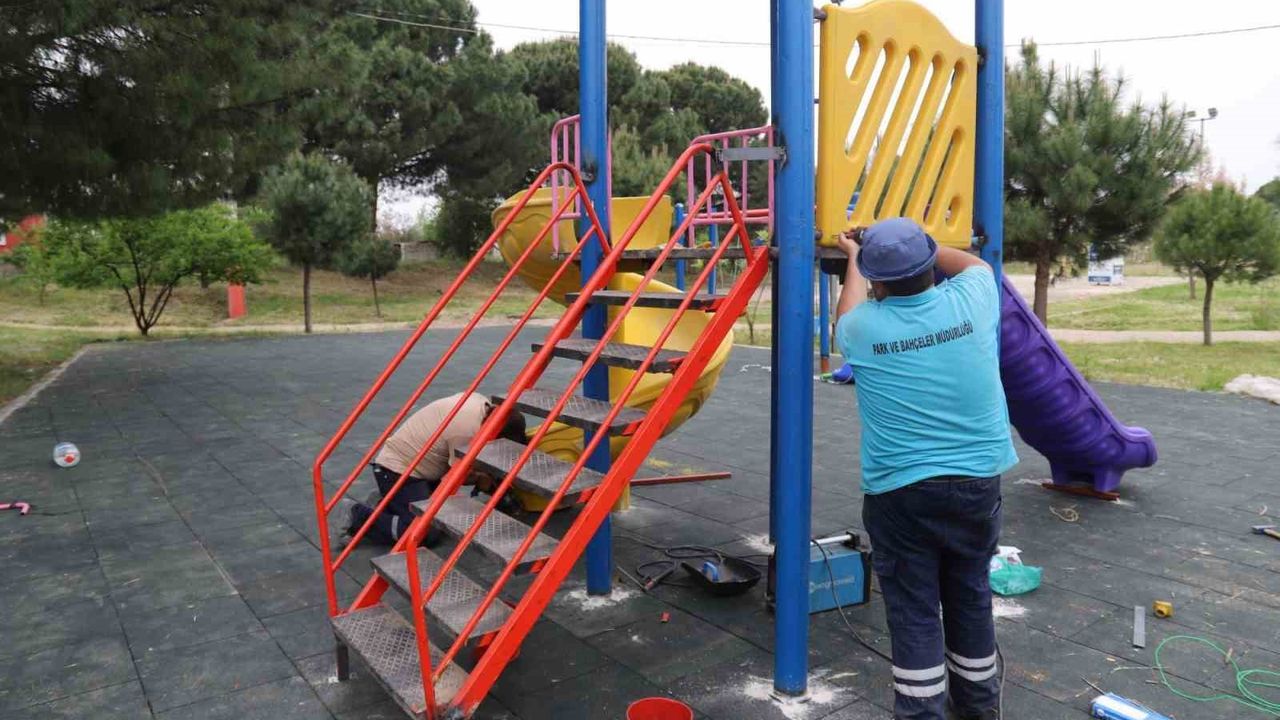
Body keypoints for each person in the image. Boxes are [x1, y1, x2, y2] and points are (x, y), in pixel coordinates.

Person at [834, 218, 1018, 720]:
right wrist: (912, 245)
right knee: (970, 595)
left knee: (914, 610)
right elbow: (973, 263)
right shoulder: (973, 298)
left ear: (877, 281)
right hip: (978, 482)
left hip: (902, 493)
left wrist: (855, 255)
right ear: (929, 265)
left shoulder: (862, 328)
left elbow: (845, 311)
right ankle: (979, 709)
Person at [343, 391, 527, 546]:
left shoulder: (481, 403)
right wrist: (482, 480)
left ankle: (388, 503)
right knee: (424, 533)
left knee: (444, 516)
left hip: (420, 466)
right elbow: (458, 476)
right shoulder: (464, 432)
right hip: (399, 471)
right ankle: (357, 515)